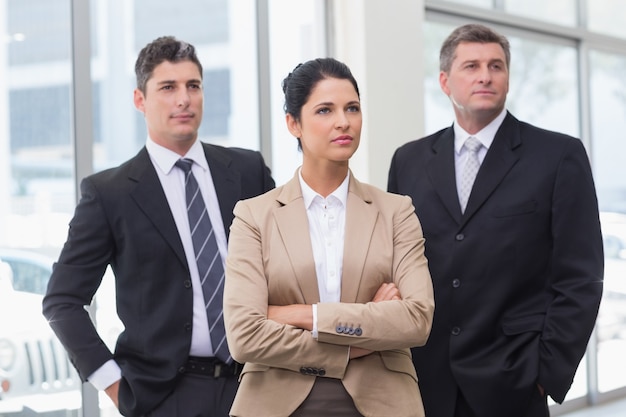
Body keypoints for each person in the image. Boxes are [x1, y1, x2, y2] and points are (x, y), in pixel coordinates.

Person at [42, 36, 275, 417]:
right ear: (140, 100)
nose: (183, 99)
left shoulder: (247, 171)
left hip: (258, 382)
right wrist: (115, 386)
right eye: (168, 87)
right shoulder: (110, 193)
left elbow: (289, 262)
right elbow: (61, 302)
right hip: (166, 395)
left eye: (192, 86)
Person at [387, 23, 604, 417]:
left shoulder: (557, 156)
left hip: (514, 381)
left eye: (496, 66)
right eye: (471, 66)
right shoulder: (409, 160)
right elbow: (395, 261)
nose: (485, 75)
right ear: (444, 80)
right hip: (424, 380)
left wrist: (546, 371)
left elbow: (580, 276)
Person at [223, 57, 435, 417]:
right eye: (325, 110)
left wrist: (303, 315)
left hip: (383, 401)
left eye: (352, 108)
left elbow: (416, 319)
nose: (344, 121)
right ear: (294, 124)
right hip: (276, 402)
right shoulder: (254, 216)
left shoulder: (396, 211)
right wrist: (357, 340)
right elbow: (244, 336)